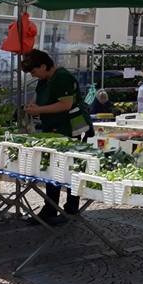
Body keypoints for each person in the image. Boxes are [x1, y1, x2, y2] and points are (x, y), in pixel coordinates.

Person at [21, 49, 87, 223]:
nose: (33, 75)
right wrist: (33, 106)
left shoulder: (62, 77)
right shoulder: (44, 80)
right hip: (52, 129)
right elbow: (42, 99)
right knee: (50, 169)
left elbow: (65, 104)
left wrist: (39, 110)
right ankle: (50, 208)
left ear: (43, 66)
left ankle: (71, 210)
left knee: (70, 169)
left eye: (34, 71)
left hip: (69, 128)